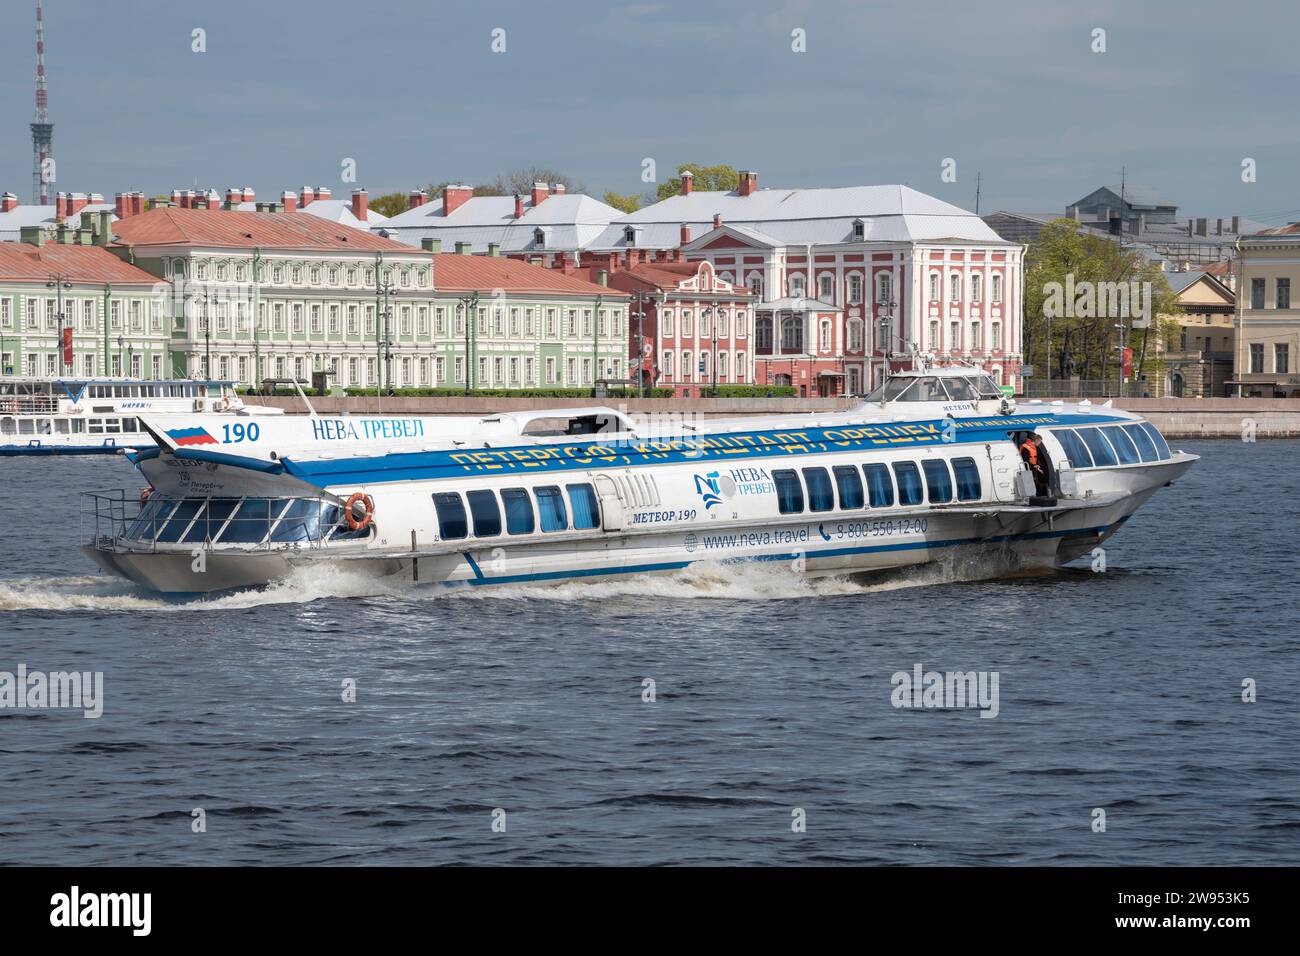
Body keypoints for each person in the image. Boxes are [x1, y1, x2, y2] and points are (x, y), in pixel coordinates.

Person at [1019, 431, 1048, 496]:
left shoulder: (1035, 448)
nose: (1040, 443)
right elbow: (1025, 461)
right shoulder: (1027, 448)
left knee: (1038, 480)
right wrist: (1033, 466)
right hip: (1028, 469)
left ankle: (1039, 494)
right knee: (1032, 483)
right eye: (1040, 442)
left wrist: (1037, 467)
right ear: (1037, 440)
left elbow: (1036, 459)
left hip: (1033, 468)